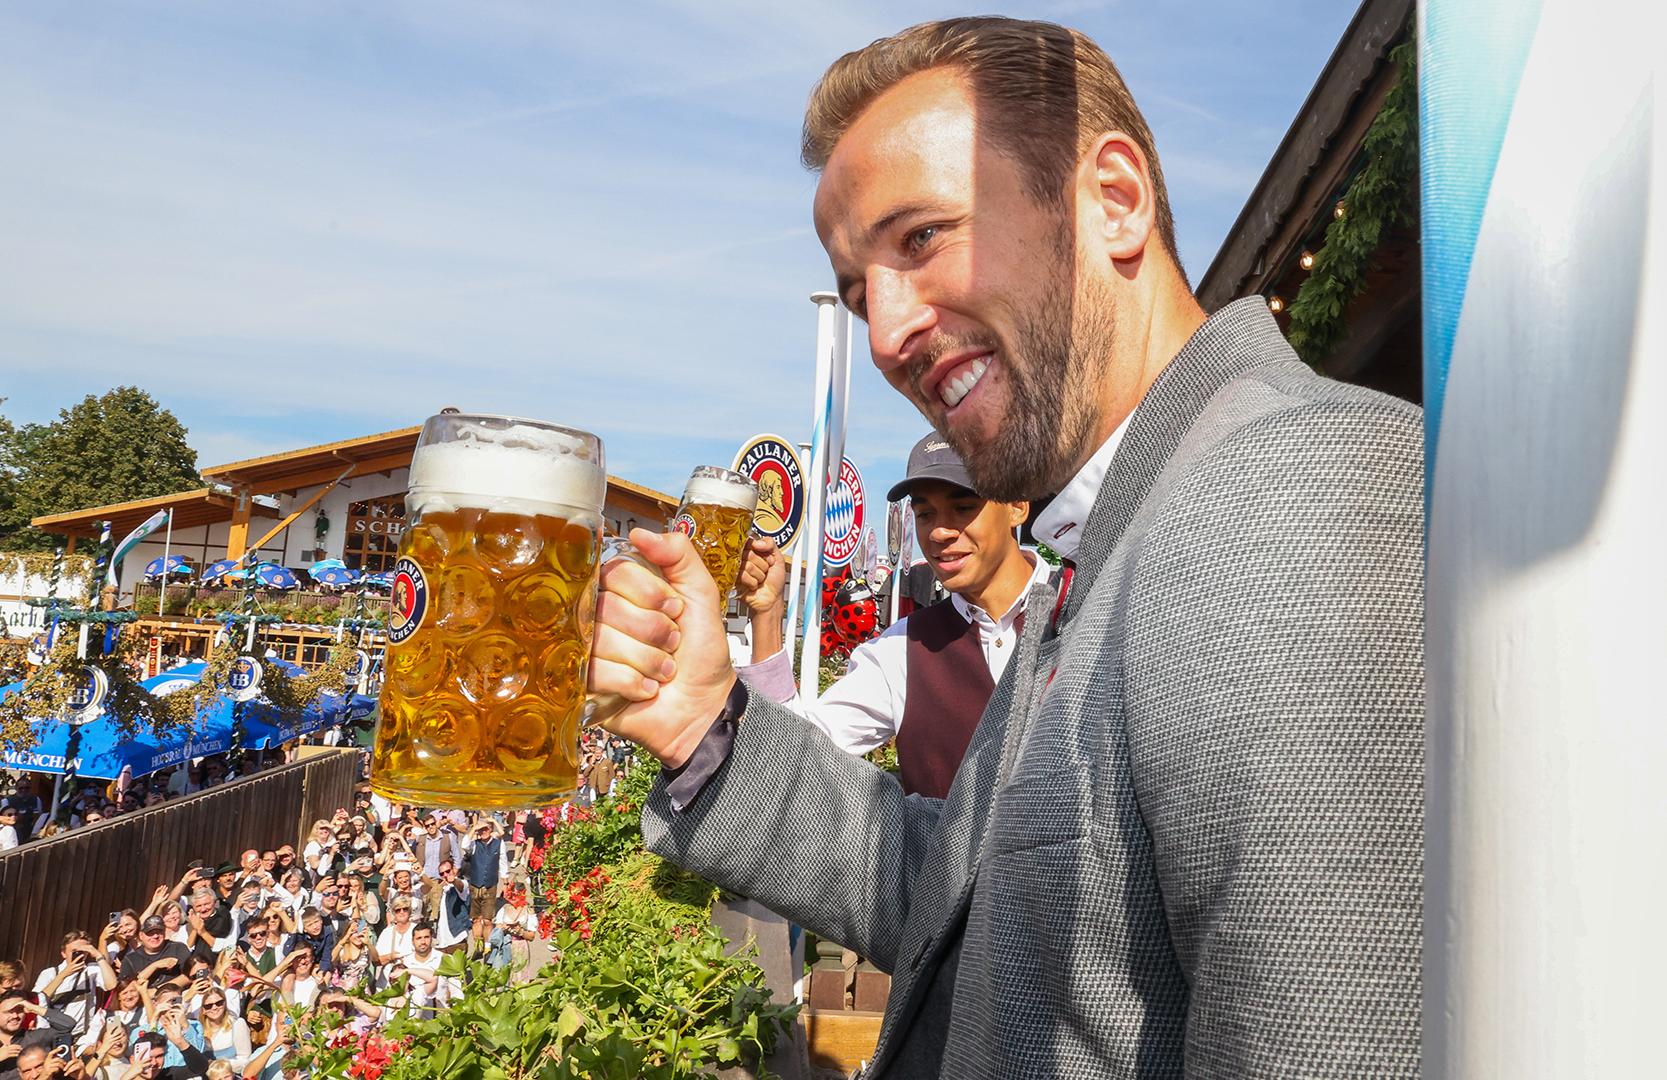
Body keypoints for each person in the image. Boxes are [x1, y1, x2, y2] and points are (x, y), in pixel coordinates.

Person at [588, 17, 1422, 1077]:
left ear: (1112, 202)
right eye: (856, 292)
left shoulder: (1280, 485)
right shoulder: (1119, 522)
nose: (886, 333)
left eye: (922, 238)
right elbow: (963, 896)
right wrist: (709, 726)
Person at [737, 435, 1042, 798]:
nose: (940, 532)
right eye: (926, 514)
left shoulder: (1086, 601)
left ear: (1017, 506)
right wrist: (768, 615)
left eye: (963, 507)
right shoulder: (901, 649)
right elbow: (791, 760)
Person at [0, 991, 74, 1080]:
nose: (14, 1016)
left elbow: (67, 1025)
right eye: (8, 1012)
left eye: (19, 1010)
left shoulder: (37, 1037)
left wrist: (34, 1008)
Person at [35, 932, 120, 1039]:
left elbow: (111, 985)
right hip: (55, 1036)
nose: (79, 954)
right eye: (74, 951)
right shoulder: (50, 973)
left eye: (82, 951)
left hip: (82, 1037)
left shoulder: (91, 971)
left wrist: (98, 956)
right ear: (63, 954)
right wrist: (64, 974)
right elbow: (37, 1001)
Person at [117, 916, 191, 991]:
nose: (155, 936)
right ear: (141, 935)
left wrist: (158, 991)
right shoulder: (131, 959)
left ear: (164, 932)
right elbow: (125, 988)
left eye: (159, 932)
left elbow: (189, 975)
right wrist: (155, 966)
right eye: (150, 933)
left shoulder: (178, 948)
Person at [461, 819, 502, 926]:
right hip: (475, 884)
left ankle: (487, 942)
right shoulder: (474, 844)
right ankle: (478, 940)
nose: (484, 832)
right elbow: (464, 845)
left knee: (488, 920)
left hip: (490, 884)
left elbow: (503, 863)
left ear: (490, 830)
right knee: (476, 919)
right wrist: (474, 828)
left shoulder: (498, 843)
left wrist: (505, 882)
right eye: (481, 830)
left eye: (486, 829)